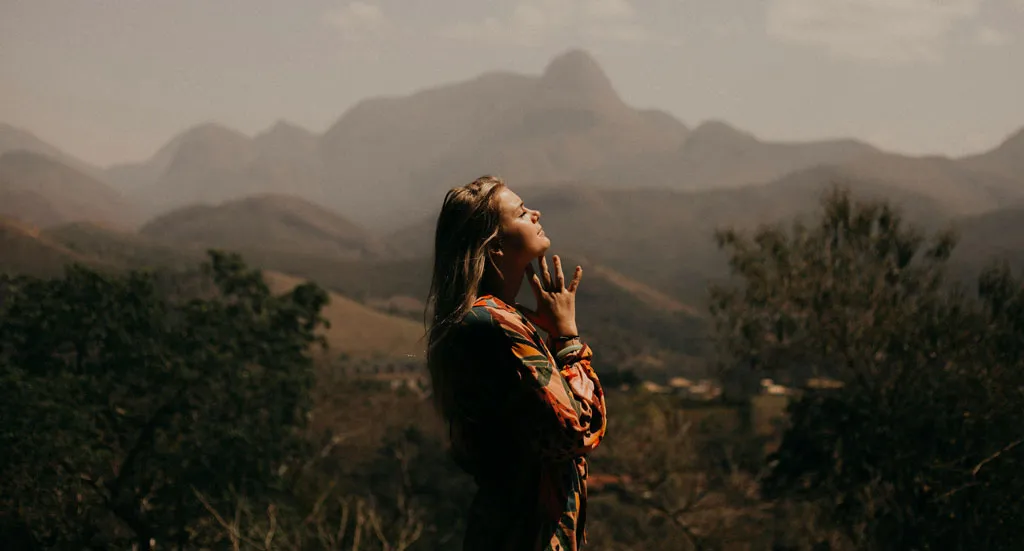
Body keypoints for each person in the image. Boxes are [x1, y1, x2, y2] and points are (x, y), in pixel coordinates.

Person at [426, 175, 608, 550]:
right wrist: (568, 339)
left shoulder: (495, 320)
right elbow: (577, 430)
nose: (536, 213)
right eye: (522, 213)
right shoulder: (492, 323)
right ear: (493, 247)